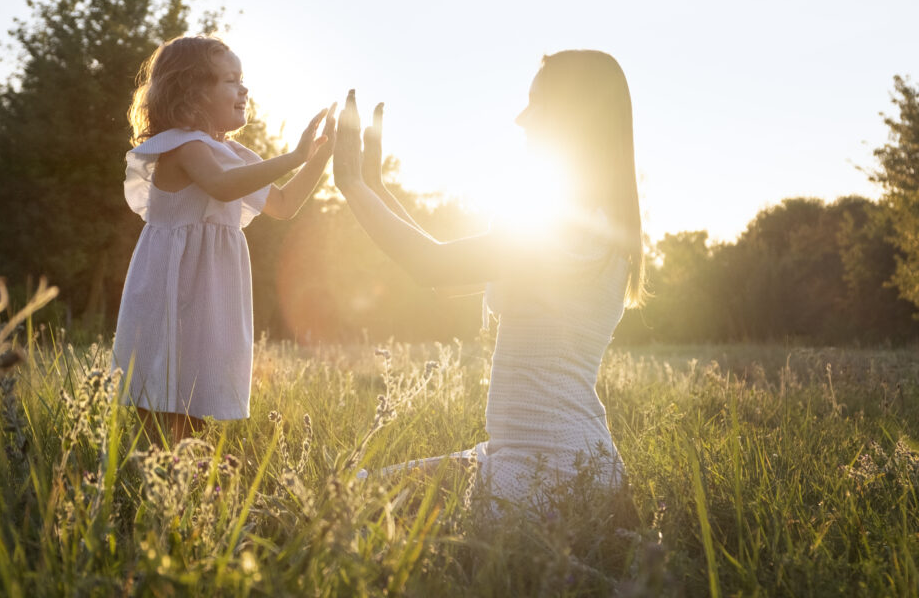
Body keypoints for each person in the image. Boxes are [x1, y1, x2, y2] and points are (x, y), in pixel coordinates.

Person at [333, 50, 646, 508]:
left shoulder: (569, 229)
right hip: (526, 455)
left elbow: (431, 265)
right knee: (355, 494)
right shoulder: (589, 223)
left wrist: (351, 184)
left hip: (555, 467)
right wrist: (375, 187)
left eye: (536, 103)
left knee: (377, 521)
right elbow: (443, 276)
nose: (521, 118)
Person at [113, 35, 335, 443]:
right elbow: (222, 187)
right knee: (160, 393)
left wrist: (318, 157)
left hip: (210, 289)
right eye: (230, 80)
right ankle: (148, 481)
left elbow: (284, 205)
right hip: (172, 286)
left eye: (242, 79)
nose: (243, 89)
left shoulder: (232, 152)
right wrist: (291, 157)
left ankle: (175, 484)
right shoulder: (184, 146)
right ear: (192, 92)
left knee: (195, 394)